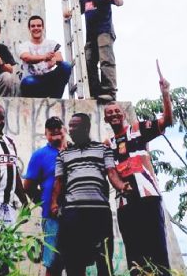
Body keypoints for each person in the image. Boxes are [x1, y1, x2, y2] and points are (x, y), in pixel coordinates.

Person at [104, 72, 174, 275]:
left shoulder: (139, 129)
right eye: (110, 113)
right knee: (134, 253)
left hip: (148, 196)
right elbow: (109, 171)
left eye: (117, 111)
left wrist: (166, 94)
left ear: (123, 114)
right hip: (125, 202)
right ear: (106, 118)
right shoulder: (108, 144)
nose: (115, 114)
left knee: (157, 249)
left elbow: (167, 121)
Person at [51, 113, 129, 276]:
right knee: (74, 262)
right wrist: (54, 203)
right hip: (73, 213)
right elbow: (58, 182)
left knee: (104, 261)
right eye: (70, 126)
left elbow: (111, 172)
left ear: (86, 128)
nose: (71, 129)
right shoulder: (63, 154)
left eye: (75, 126)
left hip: (99, 213)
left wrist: (122, 186)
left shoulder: (102, 149)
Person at [24, 116, 67, 276]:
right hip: (52, 216)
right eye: (52, 133)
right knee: (52, 262)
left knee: (76, 260)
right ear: (46, 134)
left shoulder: (74, 151)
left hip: (75, 214)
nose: (56, 136)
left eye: (59, 132)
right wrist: (43, 202)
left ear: (65, 131)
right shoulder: (39, 155)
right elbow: (27, 186)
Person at [78, 0, 123, 102]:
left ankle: (109, 91)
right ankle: (95, 92)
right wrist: (68, 13)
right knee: (88, 62)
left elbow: (120, 2)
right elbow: (76, 11)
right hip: (90, 36)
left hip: (104, 32)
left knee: (106, 60)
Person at [18, 15, 72, 98]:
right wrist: (44, 57)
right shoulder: (24, 45)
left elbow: (60, 58)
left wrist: (54, 60)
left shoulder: (51, 43)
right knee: (27, 82)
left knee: (66, 66)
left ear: (43, 27)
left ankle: (56, 99)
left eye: (39, 25)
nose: (36, 28)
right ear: (29, 28)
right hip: (32, 82)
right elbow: (26, 57)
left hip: (48, 80)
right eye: (33, 26)